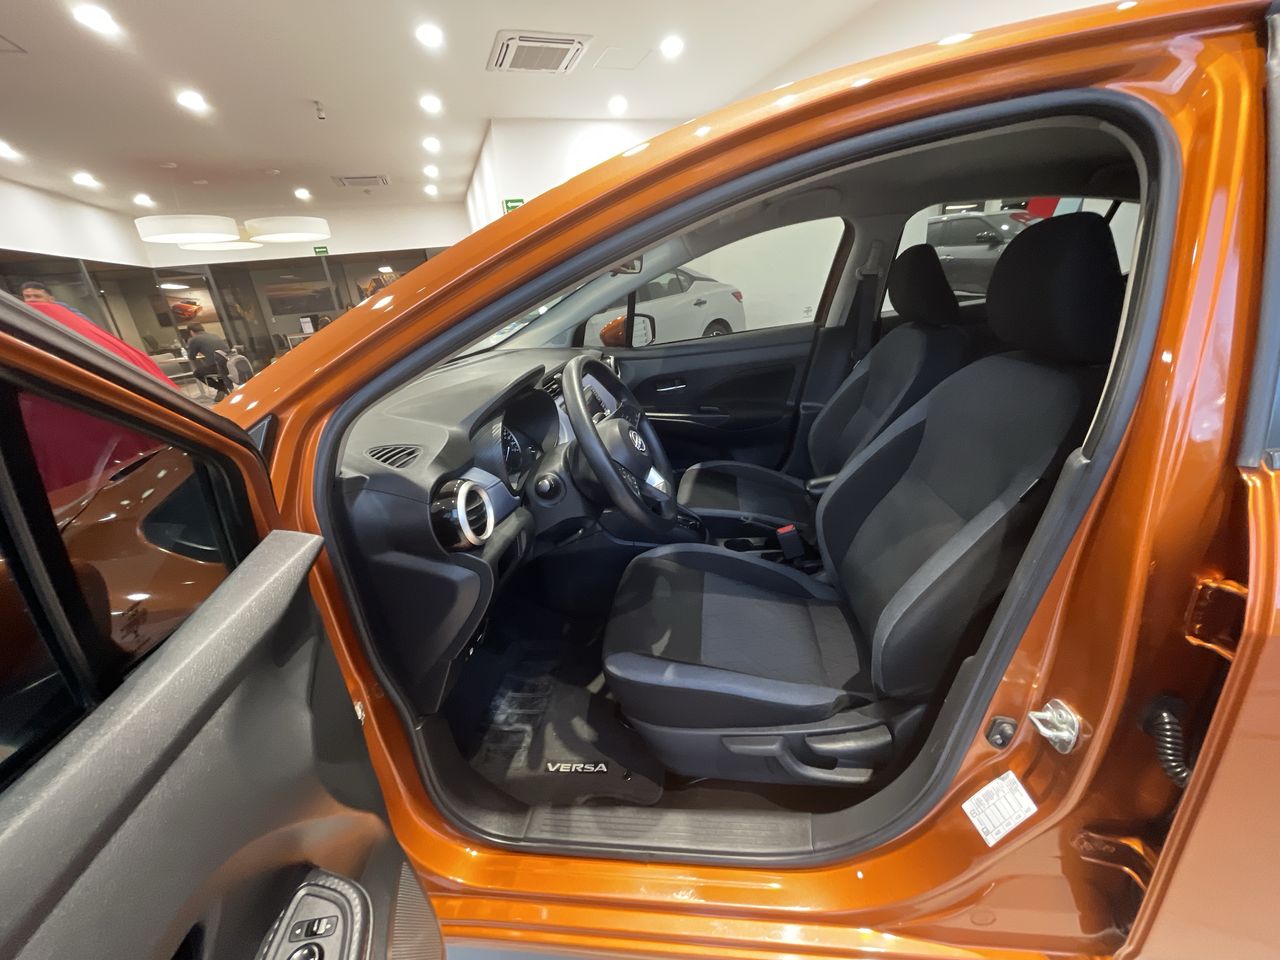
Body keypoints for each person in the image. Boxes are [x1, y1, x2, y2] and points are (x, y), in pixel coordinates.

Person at [183, 323, 232, 400]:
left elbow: (191, 357)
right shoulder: (214, 335)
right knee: (217, 370)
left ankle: (221, 388)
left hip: (217, 367)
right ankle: (221, 390)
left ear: (191, 332)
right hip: (230, 364)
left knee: (197, 373)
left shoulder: (194, 339)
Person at [21, 280, 94, 322]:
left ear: (51, 299)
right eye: (27, 296)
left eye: (37, 296)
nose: (32, 300)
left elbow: (85, 322)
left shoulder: (64, 309)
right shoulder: (21, 310)